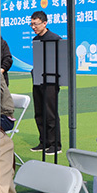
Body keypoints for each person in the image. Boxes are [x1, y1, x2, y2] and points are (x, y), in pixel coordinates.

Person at [30, 11, 62, 154]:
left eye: (36, 24)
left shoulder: (55, 39)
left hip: (51, 81)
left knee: (50, 113)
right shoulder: (35, 40)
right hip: (38, 78)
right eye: (31, 24)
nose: (33, 27)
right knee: (39, 112)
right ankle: (44, 142)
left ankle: (55, 144)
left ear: (45, 23)